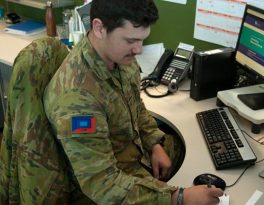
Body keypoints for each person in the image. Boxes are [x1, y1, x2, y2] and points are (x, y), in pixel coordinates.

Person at [43, 0, 224, 204]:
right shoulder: (77, 98)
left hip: (135, 155)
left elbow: (136, 107)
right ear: (99, 28)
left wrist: (154, 143)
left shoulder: (119, 57)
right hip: (108, 186)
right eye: (130, 40)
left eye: (142, 40)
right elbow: (102, 183)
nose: (138, 50)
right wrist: (178, 198)